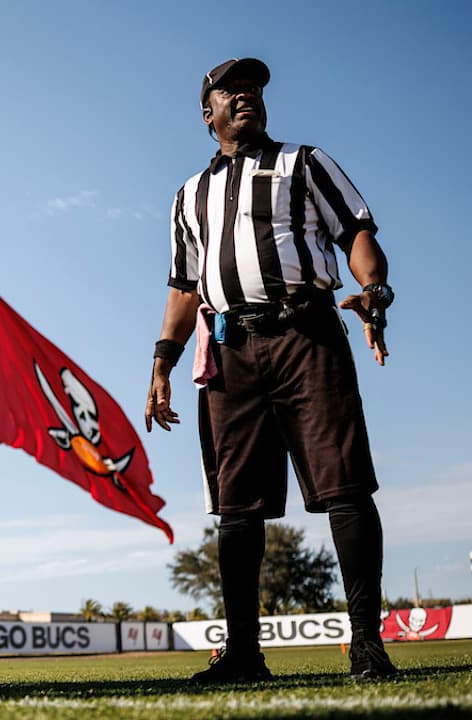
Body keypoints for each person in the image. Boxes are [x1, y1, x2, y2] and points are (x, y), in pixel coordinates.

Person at [145, 57, 398, 683]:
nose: (247, 97)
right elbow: (183, 286)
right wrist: (162, 363)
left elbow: (357, 233)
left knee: (344, 485)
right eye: (231, 91)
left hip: (306, 333)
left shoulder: (306, 163)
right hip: (230, 350)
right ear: (209, 113)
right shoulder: (187, 195)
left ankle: (367, 643)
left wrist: (374, 288)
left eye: (254, 88)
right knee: (237, 506)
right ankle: (243, 654)